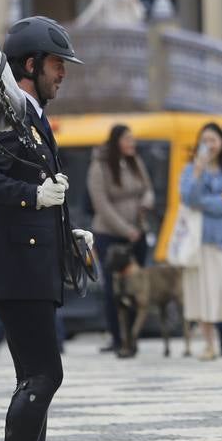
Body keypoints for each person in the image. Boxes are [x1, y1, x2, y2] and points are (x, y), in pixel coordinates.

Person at [0, 15, 96, 441]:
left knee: (35, 376)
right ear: (30, 65)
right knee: (44, 374)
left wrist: (67, 228)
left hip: (31, 263)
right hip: (16, 268)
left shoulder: (29, 114)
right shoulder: (5, 111)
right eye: (57, 64)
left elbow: (38, 180)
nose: (63, 73)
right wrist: (33, 197)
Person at [179, 123, 222, 361]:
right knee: (203, 292)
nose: (209, 145)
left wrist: (205, 203)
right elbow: (188, 197)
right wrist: (198, 173)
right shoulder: (191, 170)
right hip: (199, 241)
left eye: (213, 140)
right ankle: (210, 345)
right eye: (205, 140)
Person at [87, 124, 155, 354]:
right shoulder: (100, 165)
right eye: (127, 139)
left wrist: (146, 202)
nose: (132, 143)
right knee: (114, 289)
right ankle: (117, 338)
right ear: (116, 141)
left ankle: (132, 337)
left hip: (138, 233)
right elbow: (101, 204)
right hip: (110, 234)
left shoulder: (135, 161)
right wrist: (126, 229)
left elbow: (148, 188)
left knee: (136, 286)